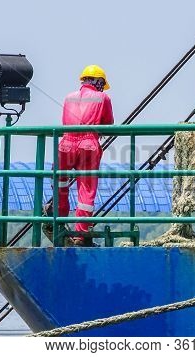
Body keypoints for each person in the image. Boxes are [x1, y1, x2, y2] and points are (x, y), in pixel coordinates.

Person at [43, 65, 114, 246]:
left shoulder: (69, 97)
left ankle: (58, 221)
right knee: (86, 190)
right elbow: (108, 124)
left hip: (66, 144)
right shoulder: (103, 98)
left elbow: (65, 121)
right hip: (88, 145)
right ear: (99, 82)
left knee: (61, 184)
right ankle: (80, 234)